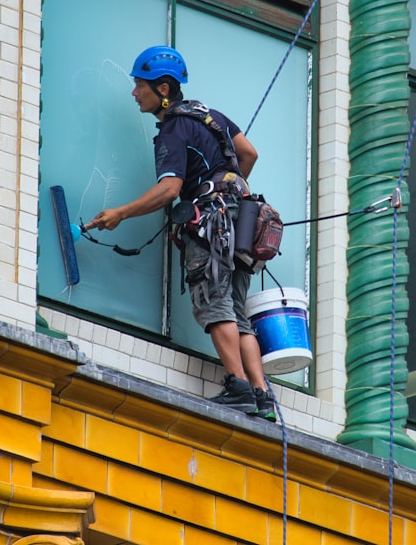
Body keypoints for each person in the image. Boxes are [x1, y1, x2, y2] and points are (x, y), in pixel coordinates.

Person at [86, 45, 276, 421]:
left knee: (213, 301)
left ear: (164, 89)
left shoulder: (173, 129)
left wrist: (121, 213)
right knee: (237, 310)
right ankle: (261, 394)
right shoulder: (210, 116)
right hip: (239, 227)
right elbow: (248, 153)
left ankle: (237, 386)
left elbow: (170, 189)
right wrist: (228, 192)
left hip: (209, 229)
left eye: (139, 84)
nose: (134, 92)